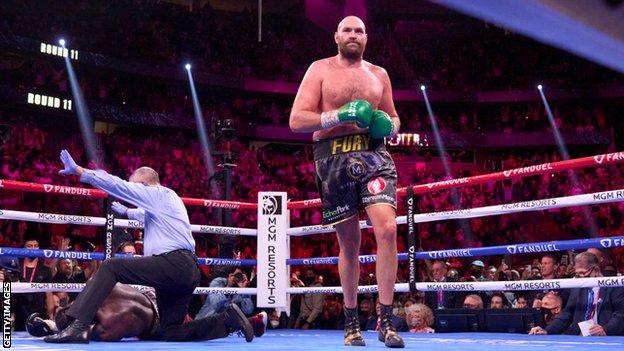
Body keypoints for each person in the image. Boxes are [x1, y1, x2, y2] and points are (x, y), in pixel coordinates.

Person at [44, 150, 253, 343]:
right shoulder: (169, 200)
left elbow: (118, 185)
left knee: (110, 267)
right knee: (171, 330)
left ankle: (77, 326)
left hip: (173, 264)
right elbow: (143, 214)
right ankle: (227, 321)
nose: (134, 192)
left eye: (136, 187)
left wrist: (82, 172)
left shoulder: (157, 194)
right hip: (186, 271)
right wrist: (126, 212)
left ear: (144, 185)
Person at [289, 15, 403, 348]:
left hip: (373, 156)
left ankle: (385, 321)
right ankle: (352, 323)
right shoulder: (320, 69)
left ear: (366, 38)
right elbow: (297, 119)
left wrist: (389, 126)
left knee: (388, 229)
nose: (353, 35)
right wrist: (339, 115)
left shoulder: (379, 74)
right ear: (336, 36)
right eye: (347, 30)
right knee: (350, 244)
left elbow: (394, 116)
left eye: (359, 31)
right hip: (332, 157)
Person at [27, 283, 268, 341]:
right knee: (189, 323)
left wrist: (53, 327)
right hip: (159, 296)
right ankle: (246, 321)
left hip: (155, 322)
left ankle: (231, 321)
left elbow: (80, 334)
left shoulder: (107, 324)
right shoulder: (99, 284)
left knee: (180, 332)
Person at [529, 252, 624, 336]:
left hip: (604, 337)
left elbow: (620, 314)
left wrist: (605, 330)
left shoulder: (614, 286)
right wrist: (547, 331)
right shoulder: (578, 287)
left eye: (582, 273)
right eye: (577, 274)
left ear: (595, 270)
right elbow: (567, 314)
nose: (580, 277)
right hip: (578, 336)